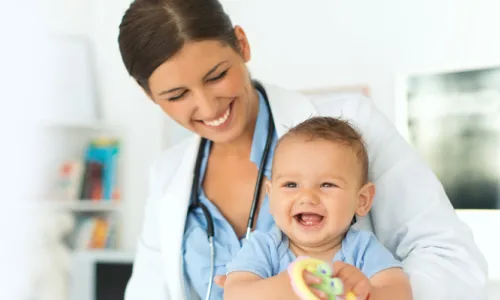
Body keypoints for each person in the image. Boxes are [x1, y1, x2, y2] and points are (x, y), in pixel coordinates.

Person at [117, 0, 487, 299]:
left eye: (216, 76)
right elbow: (149, 291)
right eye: (177, 95)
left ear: (242, 45)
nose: (209, 107)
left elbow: (448, 256)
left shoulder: (350, 123)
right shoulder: (168, 174)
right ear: (148, 94)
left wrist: (367, 294)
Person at [224, 117, 412, 300]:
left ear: (361, 200)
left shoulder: (362, 250)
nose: (307, 197)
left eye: (327, 185)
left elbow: (400, 292)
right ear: (271, 196)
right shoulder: (264, 248)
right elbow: (234, 293)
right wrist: (281, 288)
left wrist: (369, 292)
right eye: (291, 185)